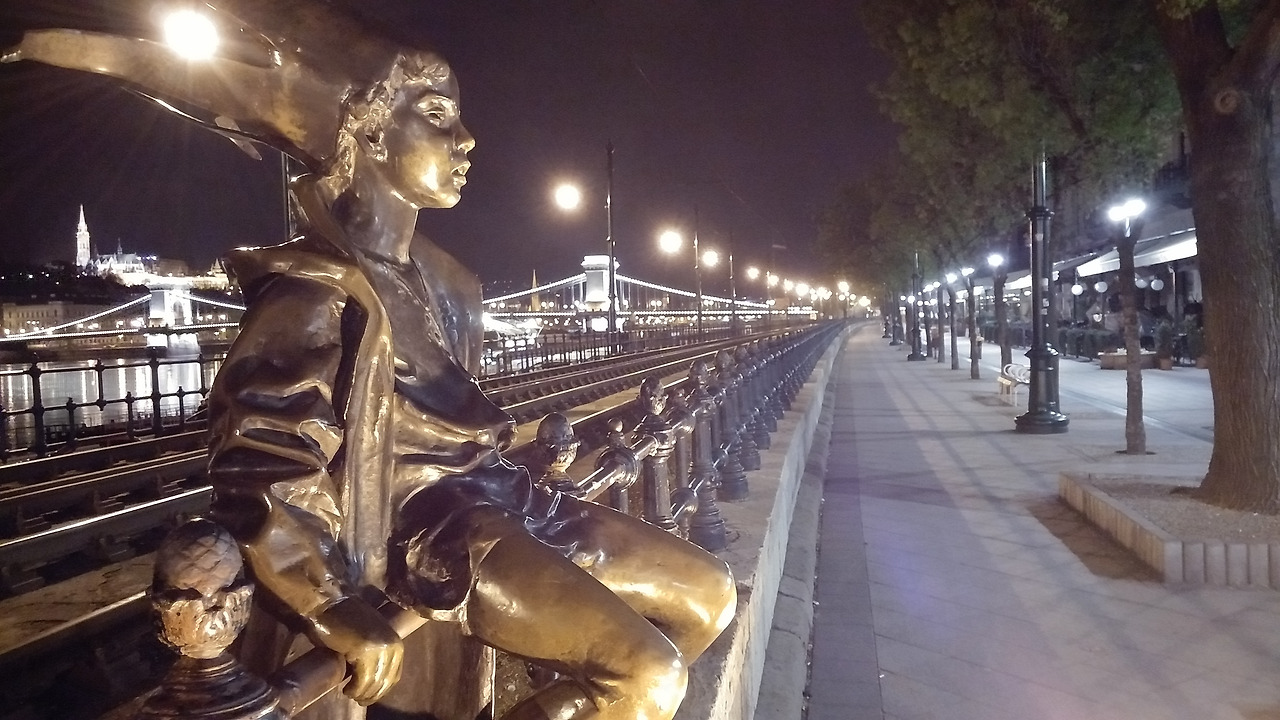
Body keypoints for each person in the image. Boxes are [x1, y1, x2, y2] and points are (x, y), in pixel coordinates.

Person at [6, 5, 735, 720]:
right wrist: (330, 603)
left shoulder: (446, 286)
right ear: (372, 131)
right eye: (438, 115)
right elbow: (262, 465)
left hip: (506, 494)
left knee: (709, 599)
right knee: (646, 673)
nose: (468, 139)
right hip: (440, 536)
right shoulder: (311, 292)